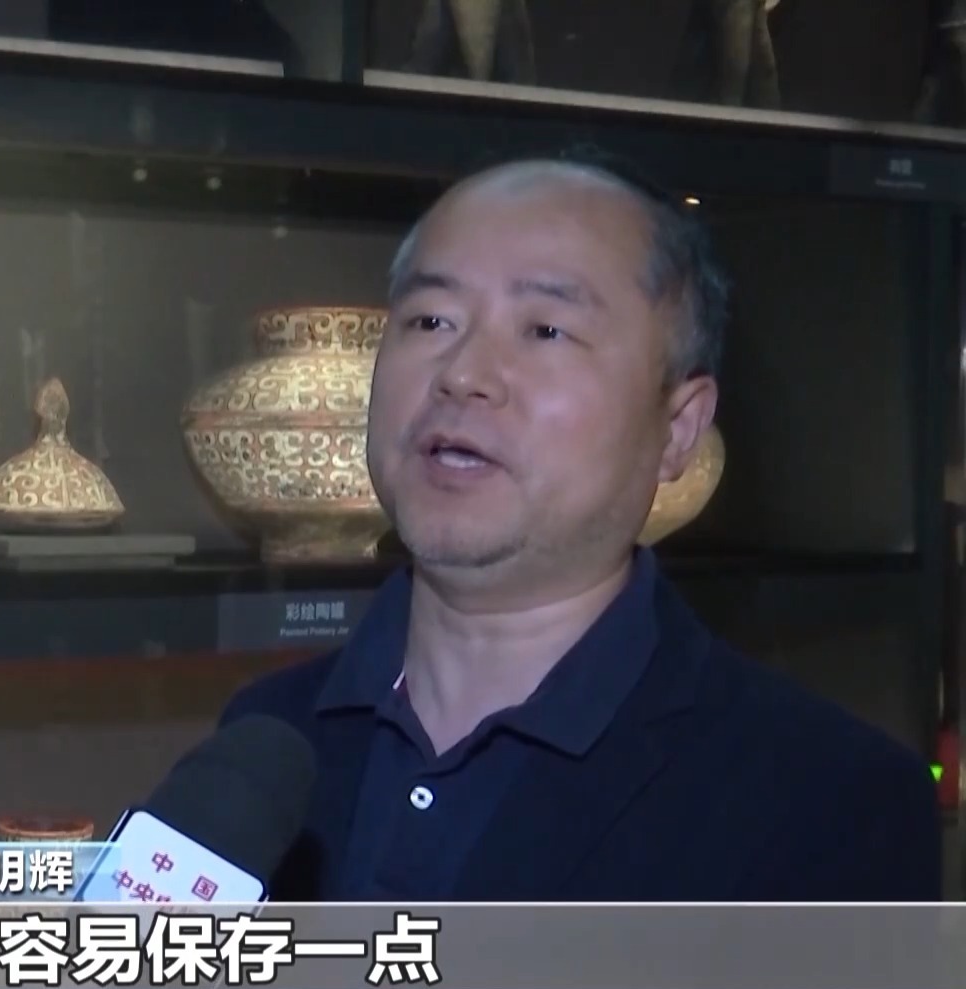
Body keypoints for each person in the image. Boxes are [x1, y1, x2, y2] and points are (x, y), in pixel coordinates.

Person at [220, 153, 942, 901]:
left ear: (679, 427)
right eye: (431, 320)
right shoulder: (259, 750)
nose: (462, 373)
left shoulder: (830, 805)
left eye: (545, 329)